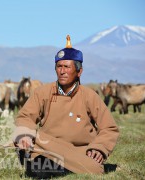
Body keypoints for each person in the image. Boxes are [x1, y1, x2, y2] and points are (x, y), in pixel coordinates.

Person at [13, 35, 119, 178]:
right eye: (59, 66)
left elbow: (109, 128)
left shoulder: (89, 96)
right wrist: (25, 135)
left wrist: (99, 148)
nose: (62, 71)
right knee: (37, 169)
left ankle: (73, 167)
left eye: (67, 67)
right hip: (47, 148)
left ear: (79, 72)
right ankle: (68, 169)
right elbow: (25, 116)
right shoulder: (42, 92)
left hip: (78, 151)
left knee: (92, 169)